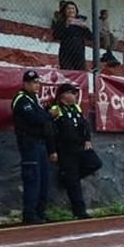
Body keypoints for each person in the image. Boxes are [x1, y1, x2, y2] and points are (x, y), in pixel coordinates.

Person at [12, 69, 57, 225]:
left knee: (43, 179)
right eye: (32, 83)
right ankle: (29, 214)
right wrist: (49, 115)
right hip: (29, 143)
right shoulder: (21, 99)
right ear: (25, 84)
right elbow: (36, 118)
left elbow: (42, 120)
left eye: (37, 82)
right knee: (33, 179)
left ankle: (40, 212)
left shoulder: (34, 100)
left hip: (40, 144)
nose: (36, 85)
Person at [50, 83, 97, 219]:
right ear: (63, 95)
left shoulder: (76, 107)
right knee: (74, 182)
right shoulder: (55, 109)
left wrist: (87, 139)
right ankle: (80, 211)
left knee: (95, 163)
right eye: (72, 92)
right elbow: (50, 131)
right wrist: (53, 150)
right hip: (65, 149)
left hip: (80, 147)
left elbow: (85, 125)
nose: (75, 95)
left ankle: (67, 178)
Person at [52, 1, 91, 70]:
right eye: (68, 8)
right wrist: (66, 25)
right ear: (64, 11)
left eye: (73, 8)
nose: (71, 10)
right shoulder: (61, 22)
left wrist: (85, 28)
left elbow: (90, 37)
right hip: (66, 51)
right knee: (67, 72)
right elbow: (56, 35)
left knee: (80, 72)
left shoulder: (80, 22)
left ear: (76, 11)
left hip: (79, 52)